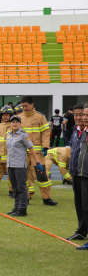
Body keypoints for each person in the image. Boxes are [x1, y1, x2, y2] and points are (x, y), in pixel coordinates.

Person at [19, 96, 57, 206]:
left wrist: (45, 147)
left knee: (42, 175)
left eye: (26, 106)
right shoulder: (19, 117)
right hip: (23, 153)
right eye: (23, 106)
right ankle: (25, 197)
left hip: (37, 153)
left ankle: (46, 198)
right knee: (24, 176)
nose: (24, 108)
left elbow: (45, 132)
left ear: (32, 105)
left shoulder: (40, 117)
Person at [6, 116, 42, 216]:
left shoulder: (23, 135)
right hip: (10, 165)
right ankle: (17, 207)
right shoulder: (8, 135)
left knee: (21, 187)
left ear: (20, 124)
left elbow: (31, 148)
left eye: (17, 122)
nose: (15, 124)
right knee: (15, 187)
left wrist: (37, 162)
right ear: (10, 124)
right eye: (12, 122)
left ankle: (22, 209)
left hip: (19, 165)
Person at [66, 103, 86, 241]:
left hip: (86, 174)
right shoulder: (75, 131)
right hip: (76, 173)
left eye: (83, 115)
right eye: (77, 115)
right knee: (79, 205)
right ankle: (81, 231)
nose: (79, 118)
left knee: (86, 206)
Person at [74, 103, 88, 250]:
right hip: (81, 173)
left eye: (86, 115)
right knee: (83, 207)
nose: (83, 118)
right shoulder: (82, 132)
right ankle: (83, 232)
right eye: (83, 114)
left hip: (85, 174)